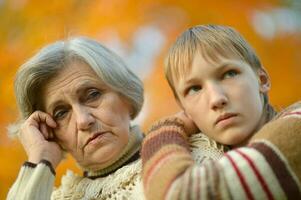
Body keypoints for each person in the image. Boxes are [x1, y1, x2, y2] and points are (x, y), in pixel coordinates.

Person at [7, 36, 226, 200]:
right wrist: (39, 159)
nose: (84, 121)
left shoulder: (201, 150)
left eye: (93, 95)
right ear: (51, 133)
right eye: (61, 113)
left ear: (126, 96)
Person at [141, 24, 301, 199]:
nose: (217, 99)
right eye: (194, 89)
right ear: (185, 110)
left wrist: (166, 129)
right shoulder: (205, 154)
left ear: (262, 80)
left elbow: (176, 194)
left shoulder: (296, 124)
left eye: (229, 74)